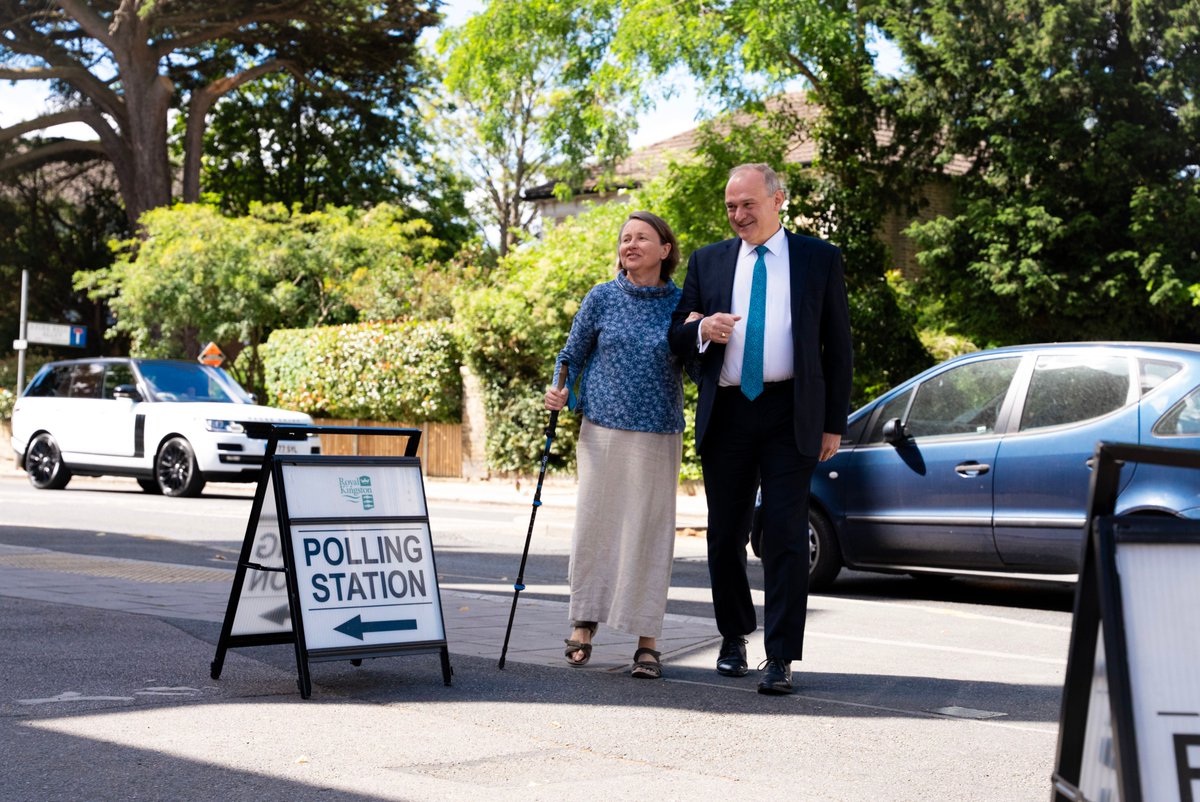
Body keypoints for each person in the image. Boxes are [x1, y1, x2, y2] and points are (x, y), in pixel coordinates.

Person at [668, 163, 853, 695]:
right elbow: (676, 338)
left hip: (789, 413)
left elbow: (837, 349)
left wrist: (833, 423)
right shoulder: (709, 261)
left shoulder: (818, 259)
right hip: (727, 412)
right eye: (731, 206)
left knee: (786, 535)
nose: (738, 215)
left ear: (778, 201)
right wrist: (702, 328)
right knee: (724, 535)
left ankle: (780, 657)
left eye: (748, 204)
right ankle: (732, 638)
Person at [544, 210, 687, 680]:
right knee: (596, 527)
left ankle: (648, 641)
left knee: (649, 533)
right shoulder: (602, 297)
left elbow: (702, 365)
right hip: (601, 430)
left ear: (664, 250)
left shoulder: (684, 305)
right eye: (625, 238)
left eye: (641, 238)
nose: (630, 245)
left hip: (657, 431)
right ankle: (583, 622)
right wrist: (558, 388)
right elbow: (571, 355)